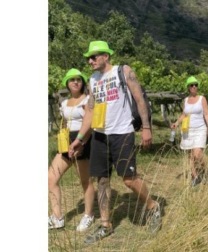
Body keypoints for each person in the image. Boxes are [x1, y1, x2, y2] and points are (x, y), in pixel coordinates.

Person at [69, 41, 161, 244]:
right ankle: (105, 225)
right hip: (100, 136)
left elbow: (139, 100)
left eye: (94, 56)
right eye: (88, 58)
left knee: (129, 179)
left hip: (122, 133)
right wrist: (79, 139)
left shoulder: (123, 71)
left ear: (106, 56)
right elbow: (90, 112)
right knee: (102, 180)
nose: (90, 61)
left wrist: (146, 127)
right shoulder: (92, 80)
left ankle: (153, 207)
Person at [48, 69, 95, 232]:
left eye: (79, 79)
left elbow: (91, 124)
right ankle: (57, 217)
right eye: (72, 80)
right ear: (67, 83)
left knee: (85, 181)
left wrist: (81, 142)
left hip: (83, 141)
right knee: (51, 177)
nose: (75, 82)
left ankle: (89, 215)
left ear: (82, 82)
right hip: (66, 142)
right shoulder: (64, 103)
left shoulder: (89, 99)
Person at [171, 76, 208, 187]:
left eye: (196, 85)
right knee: (190, 155)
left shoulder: (202, 99)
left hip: (200, 129)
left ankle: (204, 170)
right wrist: (176, 123)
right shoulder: (185, 100)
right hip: (187, 130)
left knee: (197, 153)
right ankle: (195, 177)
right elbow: (184, 114)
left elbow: (206, 114)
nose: (194, 87)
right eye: (192, 85)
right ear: (188, 88)